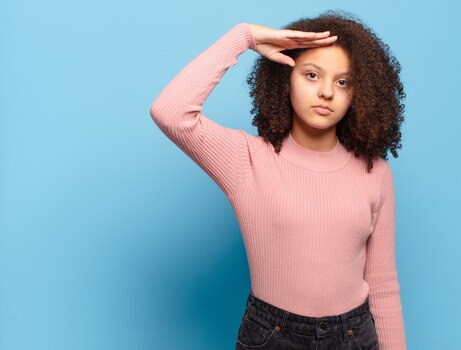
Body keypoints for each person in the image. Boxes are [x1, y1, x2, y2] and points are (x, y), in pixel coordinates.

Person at [150, 10, 407, 350]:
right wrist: (243, 37)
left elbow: (383, 285)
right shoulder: (247, 160)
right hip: (272, 336)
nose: (327, 92)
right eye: (312, 75)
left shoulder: (375, 173)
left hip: (353, 336)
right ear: (286, 79)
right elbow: (170, 111)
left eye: (343, 82)